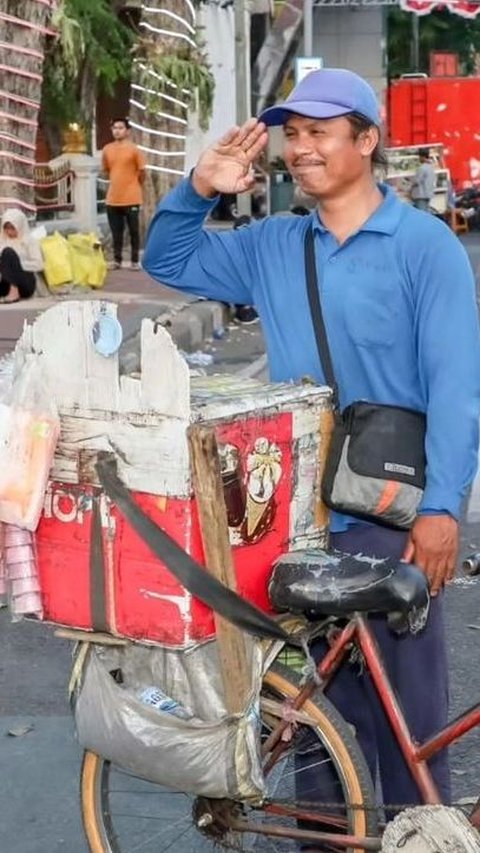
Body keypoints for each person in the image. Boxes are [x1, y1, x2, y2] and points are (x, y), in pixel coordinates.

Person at [142, 68, 480, 818]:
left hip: (392, 513)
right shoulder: (272, 244)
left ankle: (418, 834)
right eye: (292, 134)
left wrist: (443, 508)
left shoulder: (426, 247)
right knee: (308, 715)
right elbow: (167, 262)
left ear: (366, 140)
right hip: (293, 519)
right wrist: (202, 186)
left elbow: (457, 387)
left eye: (320, 131)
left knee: (409, 721)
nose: (301, 148)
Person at [101, 117, 146, 270]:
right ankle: (117, 260)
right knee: (116, 232)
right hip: (113, 199)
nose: (117, 131)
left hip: (132, 197)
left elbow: (142, 172)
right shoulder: (107, 149)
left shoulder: (134, 150)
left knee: (134, 231)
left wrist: (134, 185)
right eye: (114, 128)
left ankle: (134, 261)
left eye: (120, 128)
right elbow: (107, 170)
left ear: (127, 131)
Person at [0, 209, 43, 303]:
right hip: (5, 283)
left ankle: (14, 292)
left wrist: (16, 265)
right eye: (6, 228)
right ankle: (9, 291)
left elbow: (39, 264)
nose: (9, 232)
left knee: (8, 253)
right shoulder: (2, 241)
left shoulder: (29, 241)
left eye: (12, 228)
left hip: (25, 284)